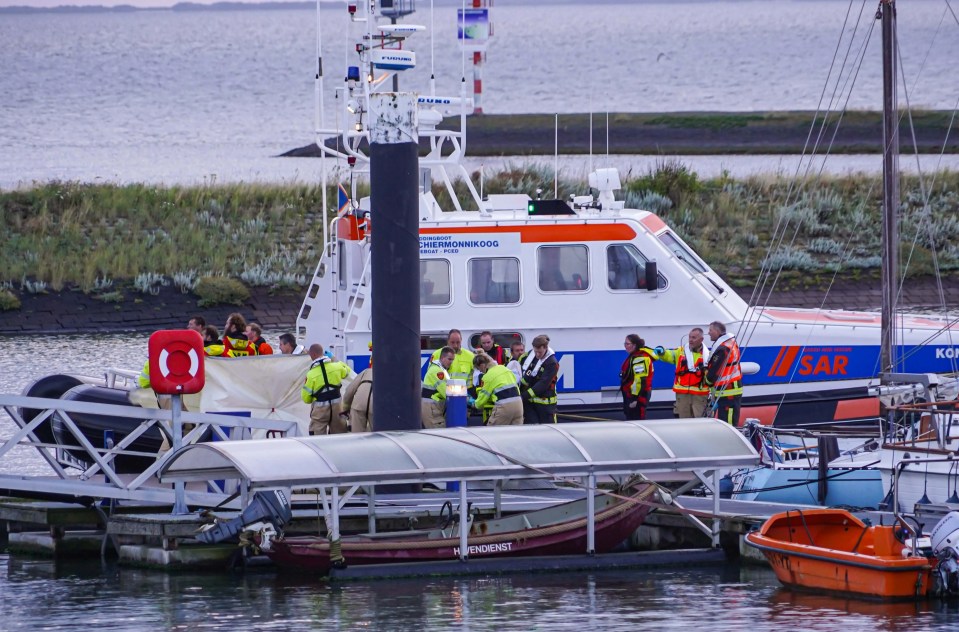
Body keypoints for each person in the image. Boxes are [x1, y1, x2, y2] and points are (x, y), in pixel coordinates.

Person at [653, 327, 710, 418]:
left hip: (699, 396)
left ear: (701, 339)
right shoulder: (681, 351)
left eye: (694, 338)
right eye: (690, 337)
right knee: (683, 421)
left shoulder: (708, 355)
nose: (691, 340)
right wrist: (662, 352)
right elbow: (670, 355)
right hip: (682, 394)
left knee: (700, 421)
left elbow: (712, 377)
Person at [301, 343, 351, 435]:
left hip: (320, 411)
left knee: (317, 436)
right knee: (340, 435)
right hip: (337, 408)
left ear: (314, 355)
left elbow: (306, 399)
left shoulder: (311, 375)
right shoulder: (336, 367)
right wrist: (334, 359)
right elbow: (347, 372)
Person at [704, 321, 743, 426]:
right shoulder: (731, 343)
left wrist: (707, 381)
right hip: (730, 389)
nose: (709, 333)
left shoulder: (723, 348)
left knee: (728, 422)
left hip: (728, 391)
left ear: (717, 331)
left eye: (710, 330)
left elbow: (714, 371)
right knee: (728, 420)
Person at [473, 353, 524, 426]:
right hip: (519, 405)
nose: (480, 371)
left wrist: (475, 404)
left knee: (493, 433)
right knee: (515, 434)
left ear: (482, 365)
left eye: (479, 369)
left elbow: (483, 398)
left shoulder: (487, 376)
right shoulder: (504, 369)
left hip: (504, 407)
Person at [521, 334, 559, 424]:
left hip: (545, 405)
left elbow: (543, 384)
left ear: (546, 348)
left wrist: (523, 396)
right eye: (535, 351)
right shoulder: (531, 355)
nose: (537, 355)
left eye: (540, 352)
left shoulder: (552, 363)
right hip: (530, 404)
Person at [621, 333, 654, 420]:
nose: (625, 346)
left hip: (638, 396)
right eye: (625, 344)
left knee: (637, 418)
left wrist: (634, 399)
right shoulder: (634, 356)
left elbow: (640, 380)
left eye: (627, 344)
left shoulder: (640, 358)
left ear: (634, 345)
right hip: (631, 394)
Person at [422, 346, 454, 429]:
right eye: (449, 359)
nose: (451, 362)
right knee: (439, 433)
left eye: (452, 360)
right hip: (432, 409)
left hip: (433, 408)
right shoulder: (437, 371)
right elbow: (446, 392)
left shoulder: (440, 369)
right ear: (442, 358)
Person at [341, 366, 373, 433]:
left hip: (358, 404)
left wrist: (346, 408)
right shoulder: (389, 374)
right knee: (376, 435)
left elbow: (349, 391)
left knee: (357, 435)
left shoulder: (366, 372)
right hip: (375, 407)